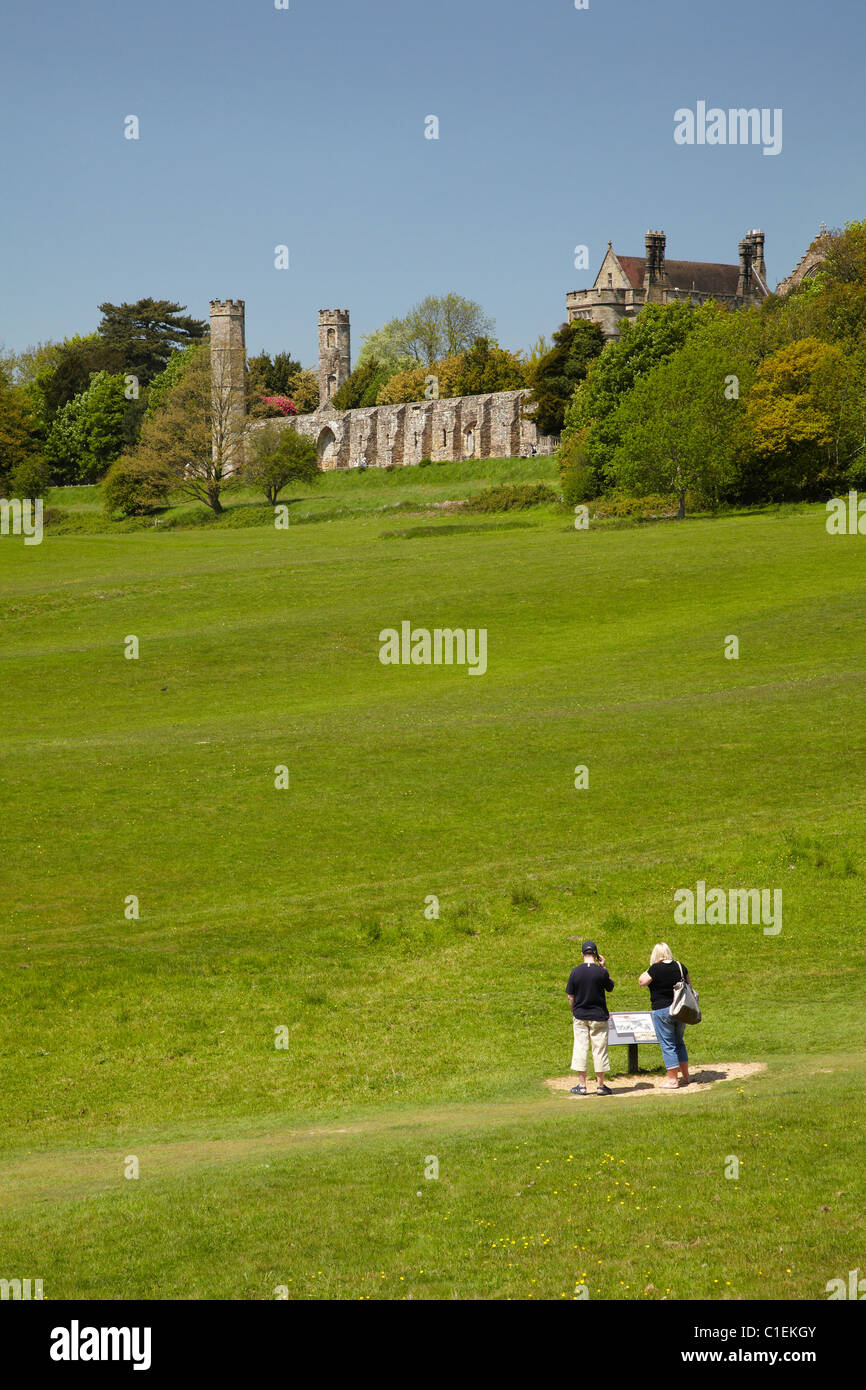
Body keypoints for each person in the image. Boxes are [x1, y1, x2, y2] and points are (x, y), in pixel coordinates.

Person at [638, 943, 691, 1089]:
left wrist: (651, 967)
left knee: (668, 1044)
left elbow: (642, 981)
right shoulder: (680, 966)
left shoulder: (655, 969)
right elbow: (689, 985)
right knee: (679, 1041)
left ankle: (673, 1080)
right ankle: (686, 1076)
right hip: (680, 1010)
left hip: (662, 1010)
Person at [566, 940, 615, 1095]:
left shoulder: (575, 971)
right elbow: (610, 987)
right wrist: (604, 967)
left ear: (582, 954)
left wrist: (574, 1010)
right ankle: (600, 1085)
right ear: (596, 955)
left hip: (580, 1015)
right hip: (598, 1015)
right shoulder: (601, 972)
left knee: (581, 1048)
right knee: (599, 1050)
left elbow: (570, 996)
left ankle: (582, 1085)